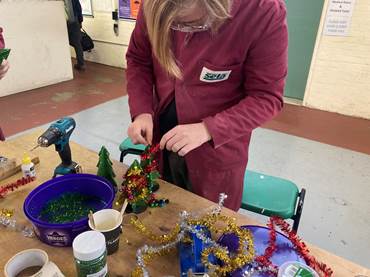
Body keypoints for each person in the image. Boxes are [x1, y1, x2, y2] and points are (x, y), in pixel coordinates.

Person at [126, 0, 288, 211]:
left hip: (216, 152)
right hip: (161, 140)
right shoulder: (153, 4)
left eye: (189, 24)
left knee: (210, 226)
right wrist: (142, 110)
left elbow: (267, 97)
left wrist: (209, 129)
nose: (183, 35)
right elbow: (139, 59)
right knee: (162, 216)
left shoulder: (261, 11)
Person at [65, 0, 85, 71]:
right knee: (77, 43)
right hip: (73, 20)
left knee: (66, 42)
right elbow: (78, 8)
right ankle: (81, 63)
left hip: (63, 21)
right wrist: (80, 21)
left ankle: (65, 64)